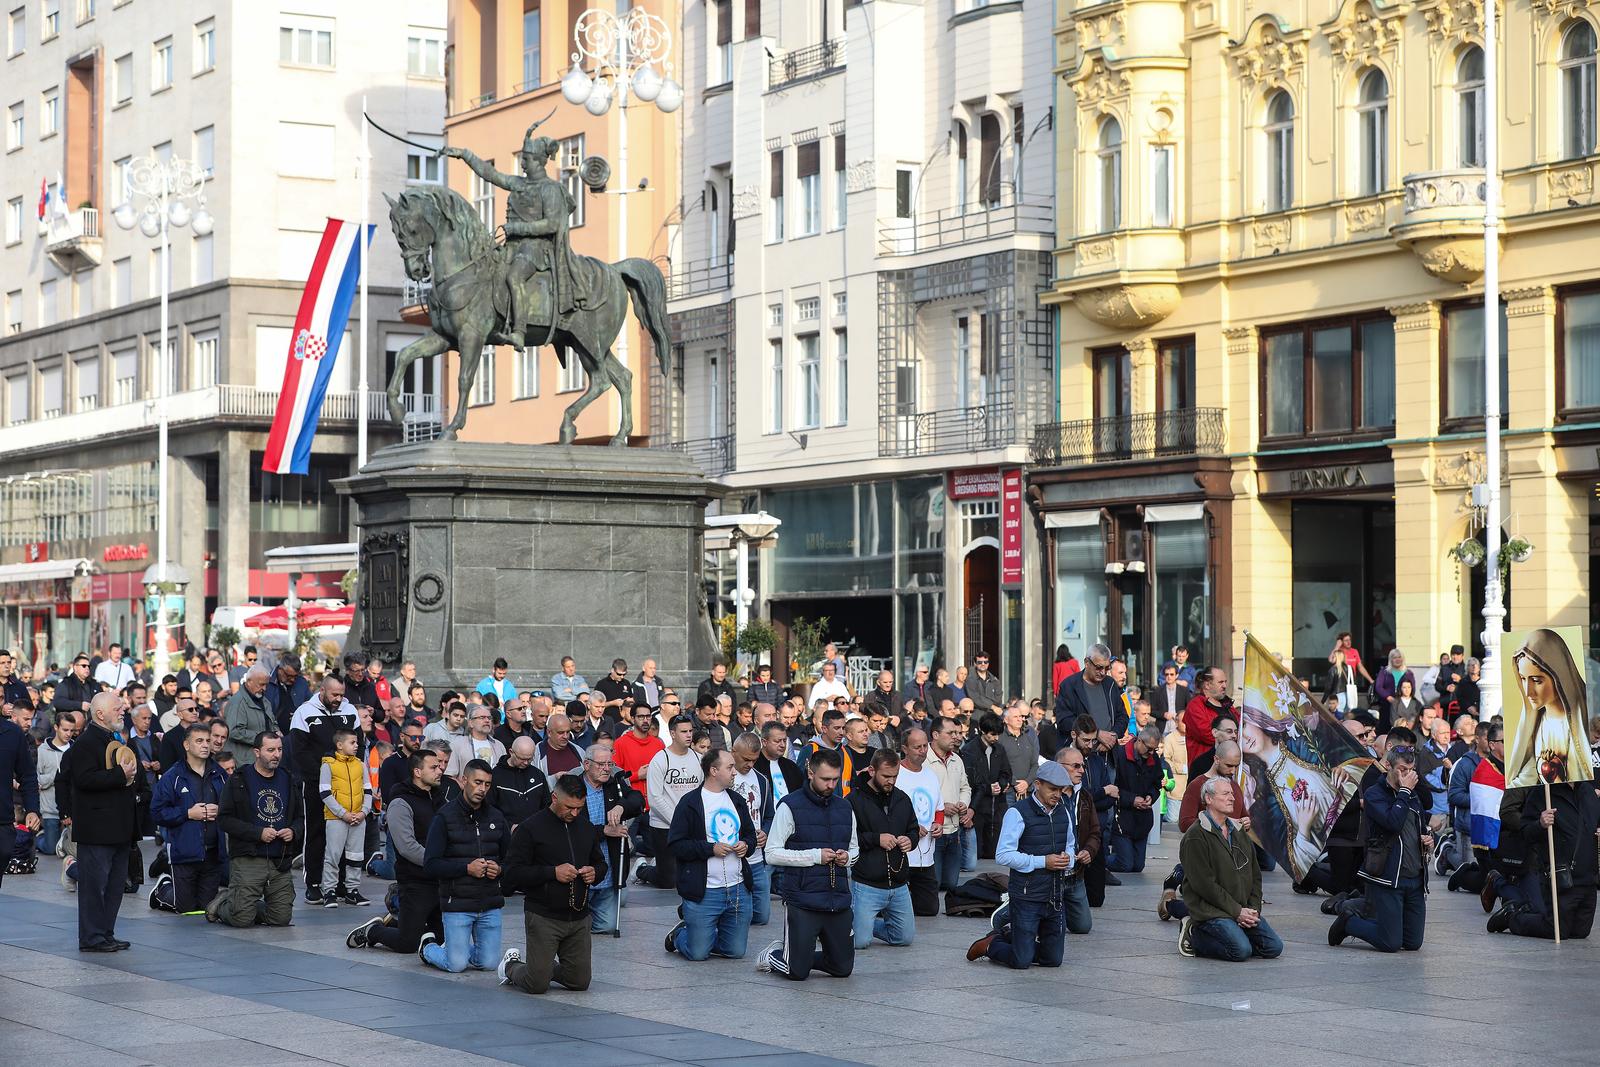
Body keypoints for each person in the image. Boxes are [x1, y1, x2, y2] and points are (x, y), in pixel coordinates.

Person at [966, 760, 1092, 968]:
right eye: (1052, 789)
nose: (1057, 795)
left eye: (1061, 790)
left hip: (1055, 896)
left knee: (1053, 960)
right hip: (1026, 896)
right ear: (1038, 784)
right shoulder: (1017, 813)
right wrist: (1043, 861)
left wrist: (1068, 858)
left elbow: (1070, 844)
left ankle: (1012, 938)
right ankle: (993, 944)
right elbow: (1003, 855)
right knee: (1021, 961)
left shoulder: (1064, 812)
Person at [498, 774, 608, 994]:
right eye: (569, 807)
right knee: (536, 984)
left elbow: (600, 863)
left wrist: (594, 872)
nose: (574, 813)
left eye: (579, 808)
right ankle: (511, 966)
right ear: (554, 797)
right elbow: (511, 874)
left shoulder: (585, 827)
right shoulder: (530, 828)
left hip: (578, 916)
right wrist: (551, 873)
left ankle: (544, 967)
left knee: (579, 982)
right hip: (543, 915)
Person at [758, 748, 858, 980]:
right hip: (802, 899)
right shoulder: (789, 805)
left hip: (837, 899)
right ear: (810, 773)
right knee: (797, 972)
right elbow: (771, 853)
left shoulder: (845, 807)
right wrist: (814, 856)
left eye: (835, 779)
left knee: (842, 969)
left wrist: (848, 858)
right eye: (825, 779)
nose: (831, 785)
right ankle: (775, 955)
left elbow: (855, 848)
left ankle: (794, 955)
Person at [1329, 746, 1430, 952]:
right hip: (1387, 875)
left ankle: (1364, 906)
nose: (1407, 775)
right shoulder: (1375, 794)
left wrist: (1428, 838)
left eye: (1411, 770)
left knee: (1412, 943)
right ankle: (1349, 922)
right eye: (1402, 769)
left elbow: (1420, 824)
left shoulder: (1412, 795)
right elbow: (1392, 822)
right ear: (1387, 766)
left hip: (1415, 877)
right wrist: (1404, 792)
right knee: (1390, 943)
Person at [664, 749, 759, 960]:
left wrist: (746, 845)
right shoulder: (689, 803)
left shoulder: (737, 800)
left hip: (737, 889)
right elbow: (676, 845)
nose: (735, 772)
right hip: (705, 890)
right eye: (730, 767)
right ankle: (680, 934)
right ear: (713, 770)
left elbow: (750, 836)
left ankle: (704, 935)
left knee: (735, 952)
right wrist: (710, 849)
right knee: (697, 954)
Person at [349, 748, 445, 954]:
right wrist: (437, 862)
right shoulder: (401, 802)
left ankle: (396, 923)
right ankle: (374, 931)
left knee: (442, 938)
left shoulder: (438, 797)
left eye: (440, 766)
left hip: (440, 880)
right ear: (418, 772)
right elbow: (407, 847)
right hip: (415, 881)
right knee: (408, 943)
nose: (440, 770)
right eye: (434, 767)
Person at [1177, 777, 1283, 961]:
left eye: (1232, 793)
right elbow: (1204, 885)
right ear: (1209, 799)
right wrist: (1236, 911)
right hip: (1212, 910)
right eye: (1225, 794)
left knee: (1273, 947)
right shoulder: (1196, 835)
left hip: (1240, 908)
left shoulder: (1239, 830)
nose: (1232, 798)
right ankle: (1195, 934)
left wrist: (1253, 909)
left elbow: (1255, 874)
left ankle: (1235, 931)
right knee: (1240, 951)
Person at [421, 760, 509, 971]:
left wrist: (500, 869)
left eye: (487, 784)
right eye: (477, 782)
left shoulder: (496, 816)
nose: (482, 789)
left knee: (488, 964)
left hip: (489, 903)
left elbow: (513, 860)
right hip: (457, 903)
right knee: (456, 965)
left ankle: (455, 946)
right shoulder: (445, 816)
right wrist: (466, 868)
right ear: (463, 780)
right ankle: (428, 947)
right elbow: (431, 865)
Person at [70, 692, 140, 951]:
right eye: (117, 708)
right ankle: (92, 937)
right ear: (100, 713)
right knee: (94, 888)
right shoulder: (86, 743)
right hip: (97, 830)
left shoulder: (115, 738)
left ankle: (106, 933)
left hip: (119, 827)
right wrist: (119, 774)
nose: (123, 711)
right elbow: (84, 779)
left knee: (113, 887)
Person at [1489, 776, 1600, 939]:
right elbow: (1526, 832)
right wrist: (1540, 823)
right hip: (1561, 874)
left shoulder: (1588, 791)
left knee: (1580, 932)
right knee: (1556, 930)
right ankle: (1513, 917)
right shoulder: (1543, 792)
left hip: (1588, 876)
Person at [215, 732, 300, 927]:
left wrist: (293, 831)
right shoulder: (239, 779)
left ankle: (247, 905)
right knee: (241, 920)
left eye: (279, 749)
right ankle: (223, 904)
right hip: (249, 857)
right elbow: (224, 819)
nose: (276, 755)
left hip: (279, 859)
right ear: (257, 752)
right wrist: (257, 833)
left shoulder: (288, 779)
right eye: (270, 750)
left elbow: (299, 818)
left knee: (281, 920)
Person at [289, 676, 361, 906]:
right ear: (322, 690)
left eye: (342, 694)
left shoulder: (349, 710)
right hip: (315, 783)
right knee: (317, 832)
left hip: (347, 784)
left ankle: (340, 884)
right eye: (334, 695)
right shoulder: (304, 712)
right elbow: (299, 752)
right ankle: (314, 884)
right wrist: (323, 775)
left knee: (343, 834)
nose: (338, 699)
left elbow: (360, 744)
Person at [149, 722, 228, 915]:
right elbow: (157, 812)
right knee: (185, 908)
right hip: (184, 853)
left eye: (208, 741)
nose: (205, 745)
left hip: (213, 853)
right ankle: (163, 889)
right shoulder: (172, 776)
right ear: (186, 745)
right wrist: (187, 813)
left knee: (206, 909)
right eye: (199, 741)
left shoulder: (220, 774)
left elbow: (234, 807)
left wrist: (221, 810)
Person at [1504, 628, 1593, 790]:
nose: (1527, 691)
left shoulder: (1583, 717)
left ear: (1559, 676)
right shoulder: (1537, 723)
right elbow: (1531, 772)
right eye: (1523, 679)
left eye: (1537, 680)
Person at [848, 748, 918, 950]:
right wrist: (875, 839)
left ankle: (865, 925)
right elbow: (847, 839)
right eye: (886, 776)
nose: (891, 781)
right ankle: (851, 925)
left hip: (898, 883)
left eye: (895, 776)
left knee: (904, 938)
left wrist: (910, 840)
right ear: (871, 770)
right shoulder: (853, 800)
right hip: (866, 883)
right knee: (860, 942)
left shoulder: (902, 798)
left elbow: (913, 828)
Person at [578, 738, 642, 934]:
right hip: (582, 869)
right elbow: (571, 829)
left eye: (610, 764)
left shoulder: (614, 785)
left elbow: (637, 800)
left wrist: (621, 805)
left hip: (608, 869)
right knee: (575, 925)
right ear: (587, 764)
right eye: (601, 764)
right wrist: (603, 831)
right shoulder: (573, 787)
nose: (607, 769)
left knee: (607, 926)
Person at [646, 716, 703, 889]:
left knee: (692, 874)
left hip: (691, 825)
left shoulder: (699, 759)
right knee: (668, 881)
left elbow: (703, 792)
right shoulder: (660, 759)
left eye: (690, 731)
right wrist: (678, 822)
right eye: (683, 731)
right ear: (672, 733)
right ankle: (642, 868)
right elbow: (655, 798)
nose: (688, 735)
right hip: (663, 826)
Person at [1107, 726, 1163, 874]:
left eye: (1154, 750)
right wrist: (1131, 799)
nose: (1151, 753)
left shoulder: (1153, 758)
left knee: (1137, 866)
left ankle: (1120, 854)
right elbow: (1111, 787)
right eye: (1149, 748)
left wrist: (1151, 796)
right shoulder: (1120, 755)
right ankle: (1099, 860)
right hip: (1122, 818)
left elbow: (1157, 784)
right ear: (1139, 741)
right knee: (1125, 864)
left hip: (1142, 820)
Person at [926, 715, 971, 891]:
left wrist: (962, 803)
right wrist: (942, 806)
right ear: (935, 735)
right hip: (933, 832)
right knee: (933, 885)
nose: (956, 737)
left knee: (951, 885)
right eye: (950, 733)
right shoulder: (924, 761)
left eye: (956, 733)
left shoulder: (956, 759)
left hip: (954, 831)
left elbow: (965, 787)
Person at [0, 698, 41, 889]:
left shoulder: (12, 733)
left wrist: (32, 809)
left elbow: (28, 775)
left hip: (2, 823)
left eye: (1, 696)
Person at [961, 712, 1011, 863]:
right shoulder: (969, 750)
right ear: (983, 731)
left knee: (993, 850)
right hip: (978, 804)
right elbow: (971, 779)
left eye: (998, 734)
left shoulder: (999, 749)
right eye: (992, 734)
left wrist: (1001, 784)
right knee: (977, 851)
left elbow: (1006, 772)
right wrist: (988, 788)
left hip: (997, 805)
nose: (996, 738)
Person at [1054, 644, 1125, 744]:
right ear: (1087, 663)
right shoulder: (1069, 686)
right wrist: (1096, 734)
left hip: (1110, 751)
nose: (1103, 672)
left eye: (1107, 668)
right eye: (1099, 667)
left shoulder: (1110, 684)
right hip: (1081, 752)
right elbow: (1064, 721)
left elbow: (1122, 715)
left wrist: (1112, 737)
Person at [36, 709, 78, 856]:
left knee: (72, 850)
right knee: (50, 849)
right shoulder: (42, 750)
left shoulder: (76, 748)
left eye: (72, 730)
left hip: (72, 808)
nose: (68, 733)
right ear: (56, 728)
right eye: (65, 729)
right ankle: (39, 837)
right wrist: (59, 776)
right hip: (50, 809)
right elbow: (38, 780)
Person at [1180, 666, 1232, 772]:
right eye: (1220, 682)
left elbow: (1241, 728)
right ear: (1207, 685)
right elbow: (1207, 734)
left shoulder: (1228, 706)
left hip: (1228, 767)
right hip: (1205, 770)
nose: (1224, 686)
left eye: (1225, 682)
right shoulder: (1195, 705)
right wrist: (1233, 738)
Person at [492, 737, 551, 829]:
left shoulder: (538, 775)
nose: (526, 763)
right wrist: (509, 826)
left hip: (536, 831)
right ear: (511, 752)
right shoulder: (496, 775)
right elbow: (490, 809)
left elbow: (547, 805)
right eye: (522, 758)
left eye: (530, 758)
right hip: (507, 834)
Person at [222, 666, 275, 768]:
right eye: (261, 684)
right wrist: (262, 738)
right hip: (245, 762)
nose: (264, 688)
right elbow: (234, 732)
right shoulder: (237, 702)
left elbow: (272, 723)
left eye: (266, 685)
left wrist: (276, 732)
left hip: (262, 761)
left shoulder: (265, 701)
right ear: (249, 681)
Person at [448, 705, 508, 777]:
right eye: (482, 717)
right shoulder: (457, 744)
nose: (487, 721)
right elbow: (450, 775)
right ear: (471, 723)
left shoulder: (499, 746)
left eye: (489, 718)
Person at [533, 712, 585, 777]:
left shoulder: (579, 751)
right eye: (561, 733)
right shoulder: (537, 754)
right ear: (549, 732)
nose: (565, 736)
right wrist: (554, 778)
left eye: (568, 732)